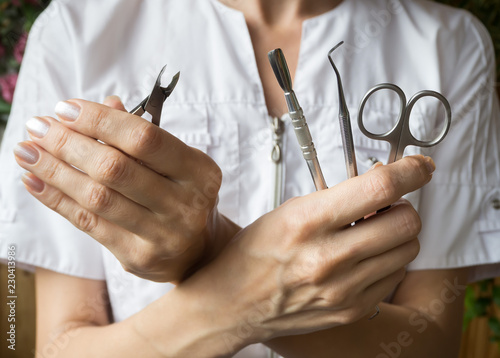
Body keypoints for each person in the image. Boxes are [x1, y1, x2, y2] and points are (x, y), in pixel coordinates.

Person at [0, 0, 499, 357]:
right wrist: (243, 289)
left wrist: (208, 252)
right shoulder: (78, 29)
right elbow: (63, 347)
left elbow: (426, 342)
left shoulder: (445, 46)